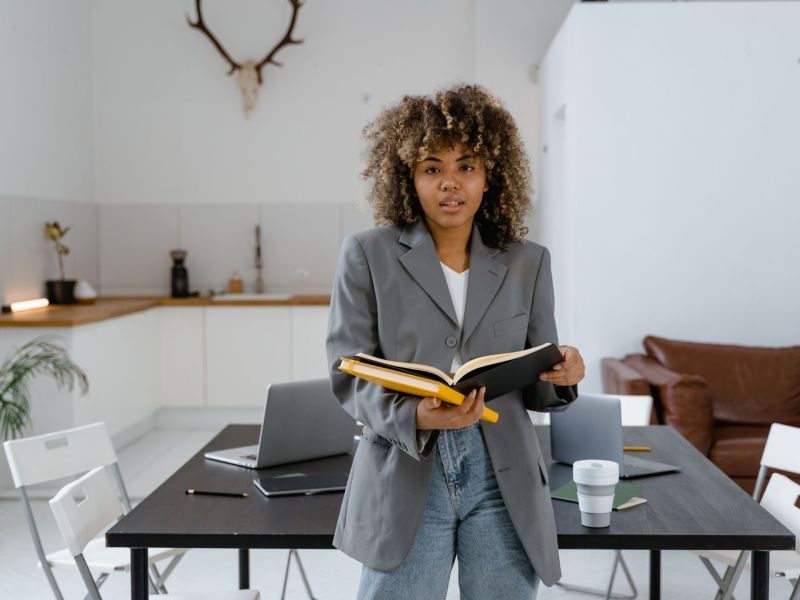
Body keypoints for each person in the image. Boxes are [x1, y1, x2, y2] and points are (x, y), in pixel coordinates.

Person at [326, 84, 585, 599]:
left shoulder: (528, 262)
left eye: (467, 166)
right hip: (405, 468)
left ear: (491, 176)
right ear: (408, 178)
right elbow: (346, 372)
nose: (451, 183)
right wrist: (416, 415)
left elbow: (538, 382)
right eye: (431, 168)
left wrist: (565, 375)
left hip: (502, 475)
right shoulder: (366, 254)